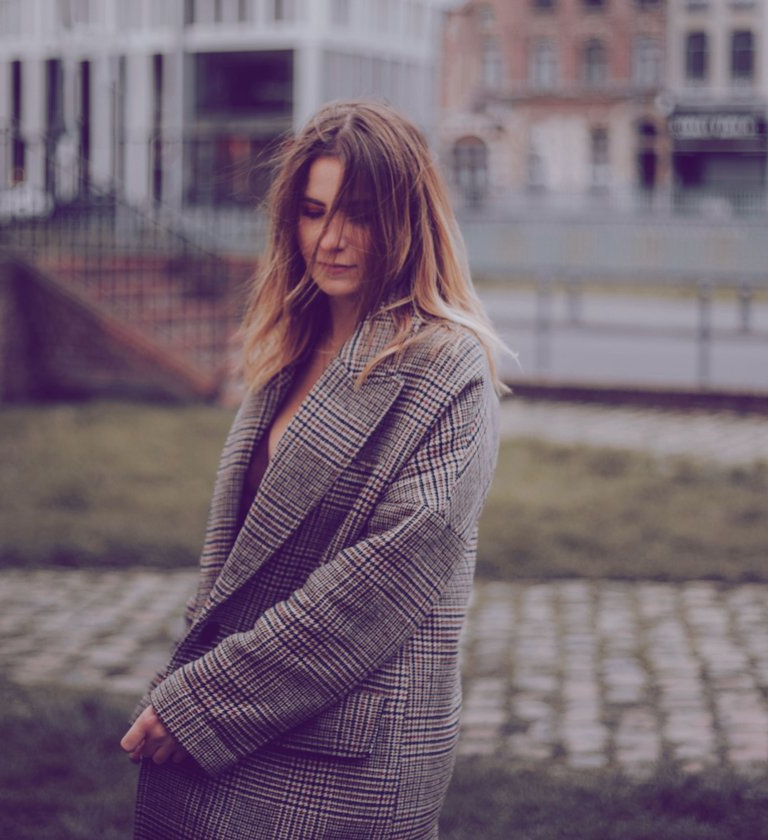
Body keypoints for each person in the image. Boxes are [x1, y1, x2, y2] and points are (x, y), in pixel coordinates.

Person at [121, 98, 508, 840]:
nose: (329, 239)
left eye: (357, 214)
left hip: (345, 754)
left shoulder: (448, 368)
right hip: (243, 726)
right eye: (312, 210)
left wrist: (202, 702)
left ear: (404, 221)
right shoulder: (285, 353)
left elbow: (382, 582)